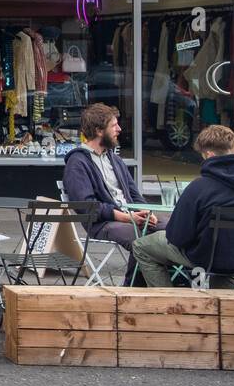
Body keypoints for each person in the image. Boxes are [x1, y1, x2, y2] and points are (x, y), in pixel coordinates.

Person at [133, 125, 234, 288]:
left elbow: (178, 236)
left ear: (208, 155)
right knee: (228, 253)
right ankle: (222, 307)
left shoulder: (199, 187)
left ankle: (170, 303)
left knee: (141, 247)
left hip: (205, 256)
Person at [63, 103, 163, 284]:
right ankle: (132, 289)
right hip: (103, 223)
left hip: (130, 216)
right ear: (99, 130)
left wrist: (147, 212)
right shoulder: (77, 163)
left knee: (173, 229)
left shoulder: (114, 159)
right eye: (114, 125)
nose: (119, 129)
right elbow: (86, 207)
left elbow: (134, 193)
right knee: (144, 241)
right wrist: (127, 217)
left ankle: (169, 284)